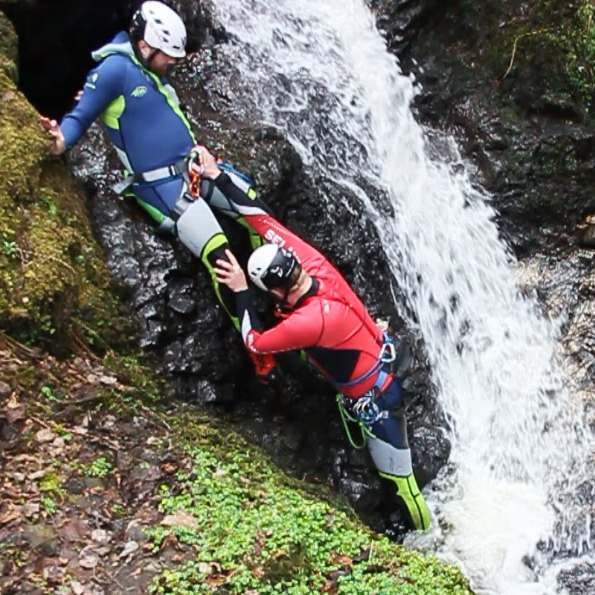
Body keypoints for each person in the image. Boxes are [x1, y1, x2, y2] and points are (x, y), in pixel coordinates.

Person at [194, 147, 431, 531]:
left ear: (276, 292)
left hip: (377, 399)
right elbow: (259, 218)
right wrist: (216, 175)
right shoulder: (309, 260)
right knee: (391, 467)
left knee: (402, 483)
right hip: (379, 366)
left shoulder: (309, 322)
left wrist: (240, 289)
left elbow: (256, 341)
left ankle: (427, 535)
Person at [38, 1, 276, 380]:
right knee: (220, 254)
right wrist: (56, 141)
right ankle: (258, 346)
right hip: (163, 187)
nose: (174, 63)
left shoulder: (146, 69)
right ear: (147, 45)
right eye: (169, 55)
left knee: (258, 217)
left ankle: (286, 292)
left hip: (195, 166)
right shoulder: (114, 69)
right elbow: (79, 118)